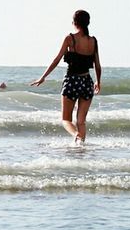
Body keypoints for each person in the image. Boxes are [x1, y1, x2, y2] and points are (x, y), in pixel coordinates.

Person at [31, 10, 101, 143]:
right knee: (81, 122)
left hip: (72, 81)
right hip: (87, 82)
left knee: (66, 120)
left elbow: (56, 59)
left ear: (74, 22)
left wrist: (43, 76)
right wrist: (98, 81)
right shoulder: (93, 41)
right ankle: (81, 149)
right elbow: (97, 65)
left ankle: (76, 136)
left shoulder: (70, 38)